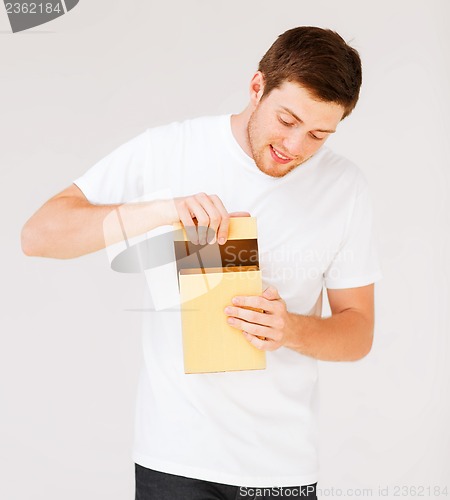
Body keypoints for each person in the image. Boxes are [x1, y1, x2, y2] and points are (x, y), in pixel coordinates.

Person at [22, 26, 382, 500]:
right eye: (287, 119)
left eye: (318, 134)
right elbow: (39, 234)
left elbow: (357, 333)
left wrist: (289, 329)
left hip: (281, 468)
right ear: (257, 87)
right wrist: (161, 211)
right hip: (174, 459)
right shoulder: (168, 151)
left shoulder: (345, 187)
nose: (295, 147)